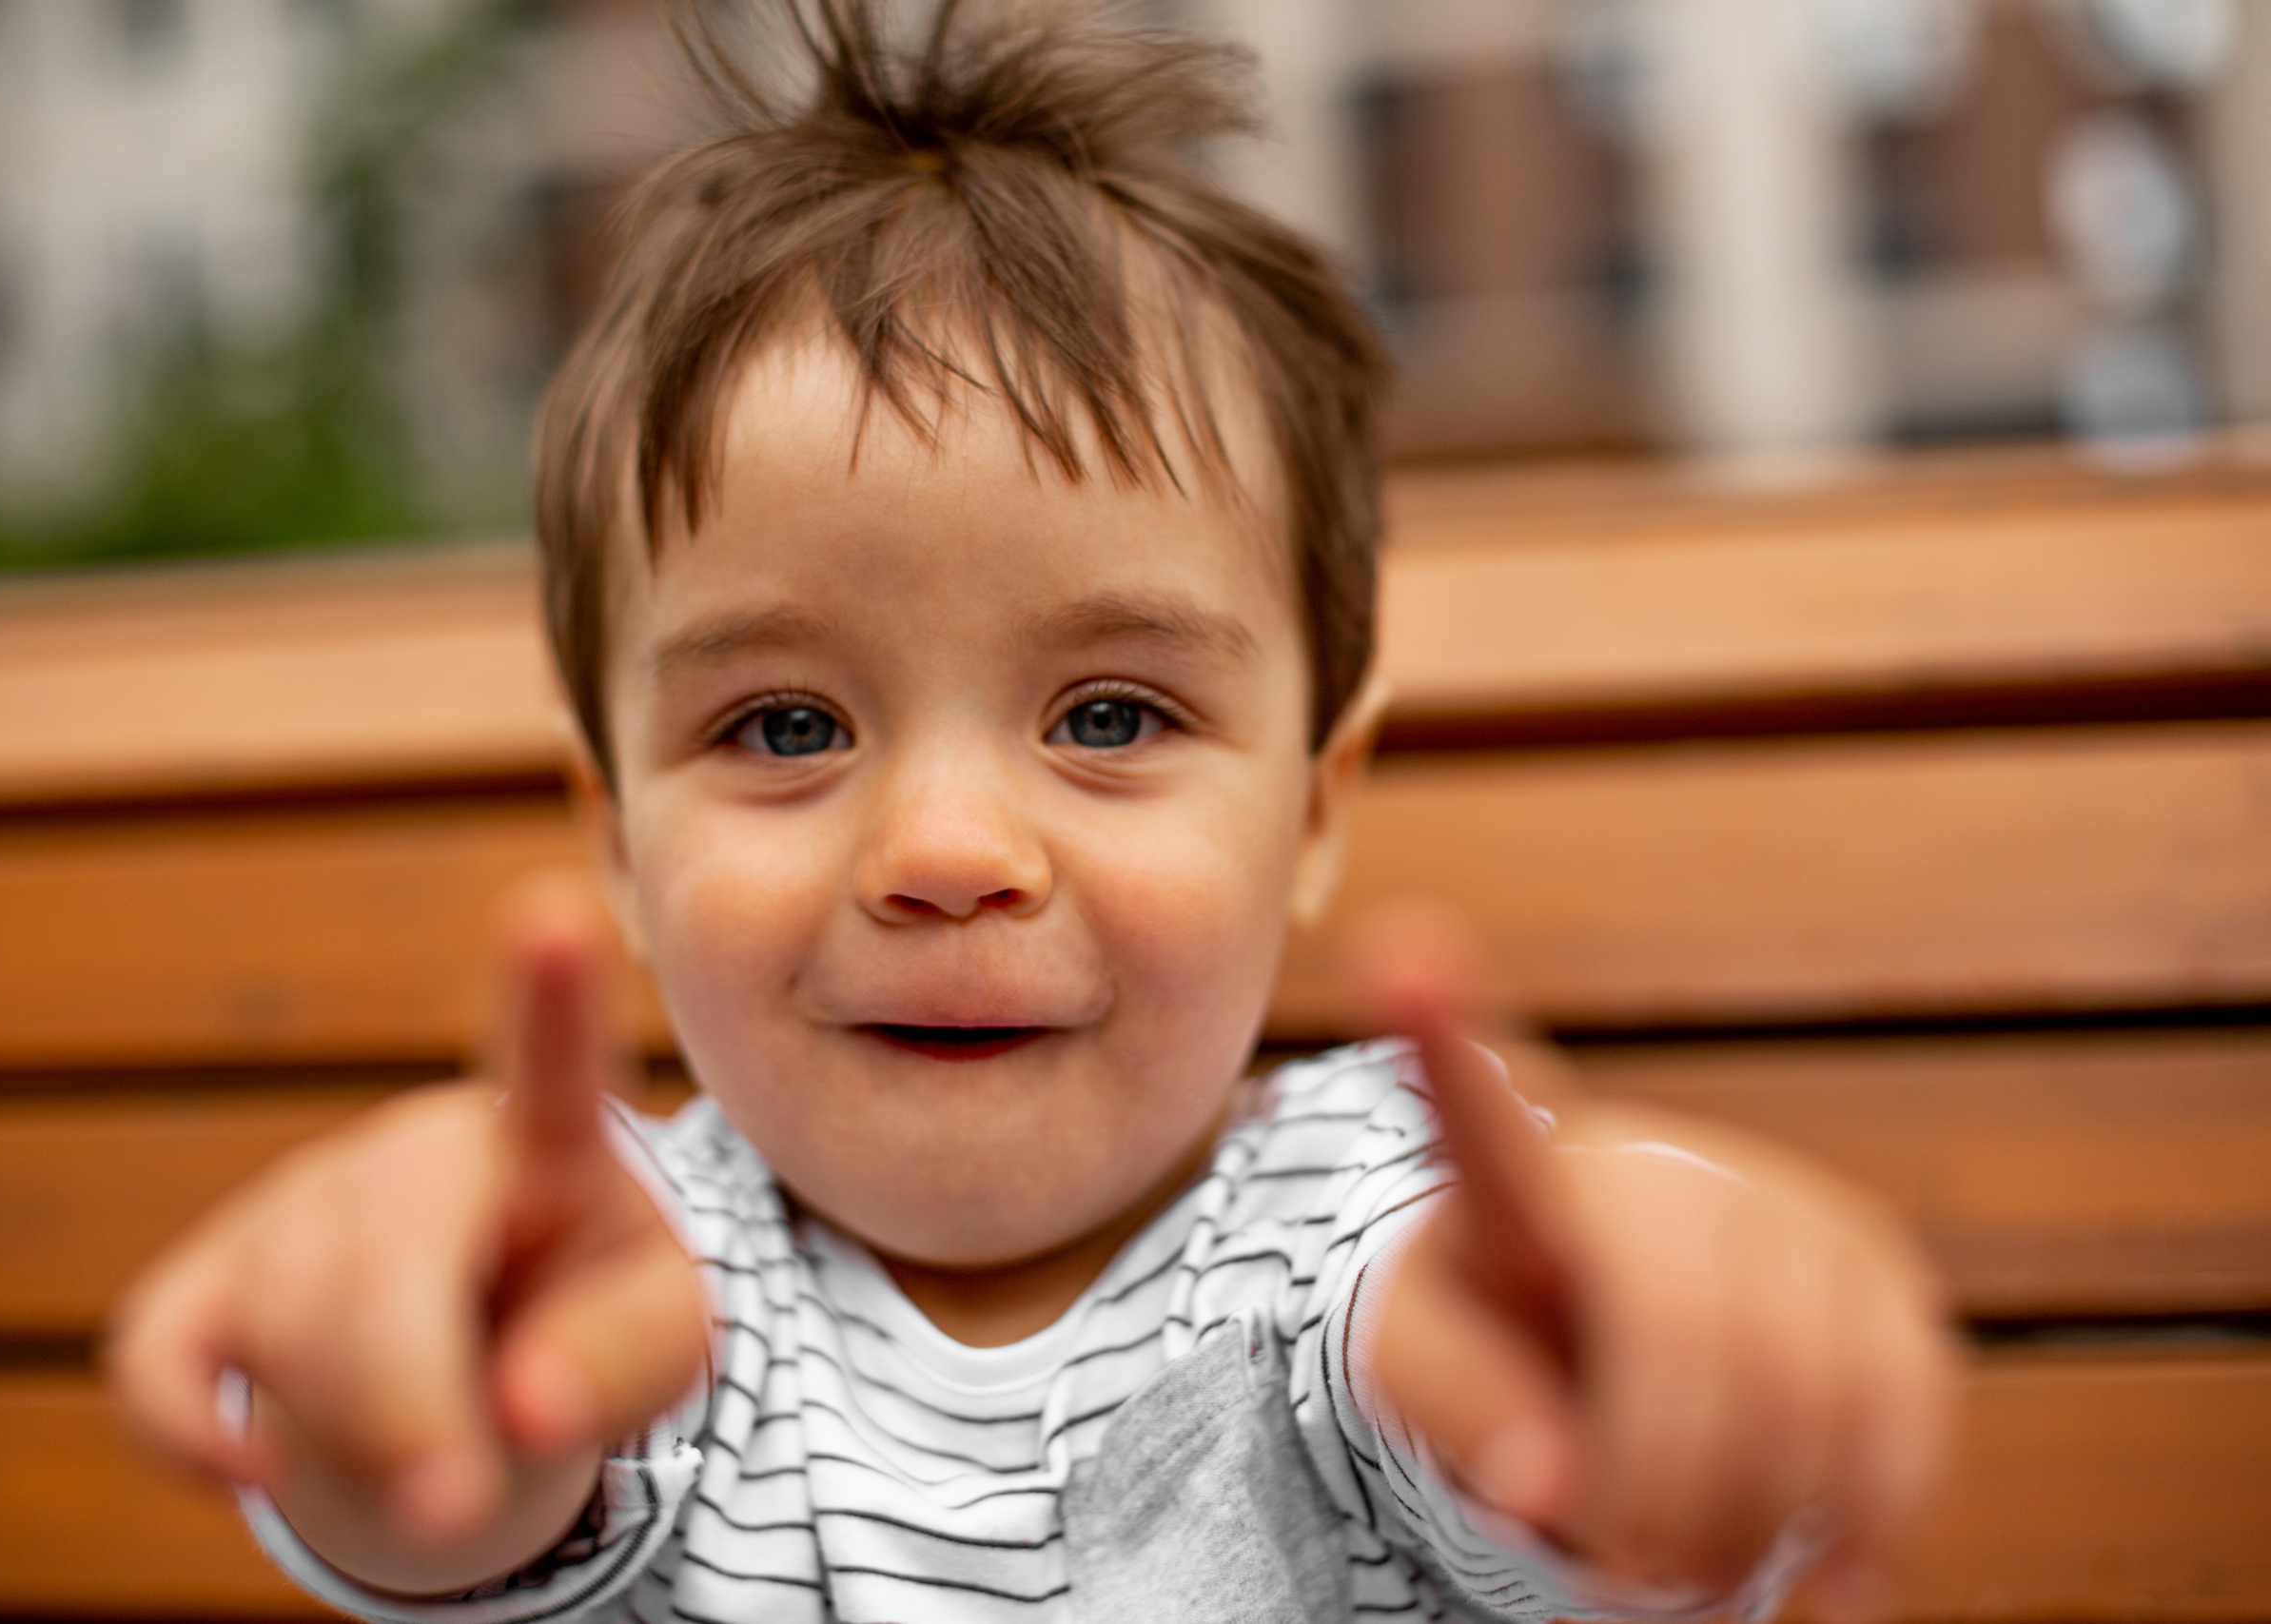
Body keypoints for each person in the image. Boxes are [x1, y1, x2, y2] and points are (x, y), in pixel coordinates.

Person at [109, 4, 1955, 1620]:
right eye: (778, 723)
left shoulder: (1350, 1233)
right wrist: (407, 1381)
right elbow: (452, 1507)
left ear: (1311, 805)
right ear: (612, 831)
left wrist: (1621, 1335)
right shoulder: (622, 1261)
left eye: (1104, 712)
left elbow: (1476, 1369)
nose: (938, 851)